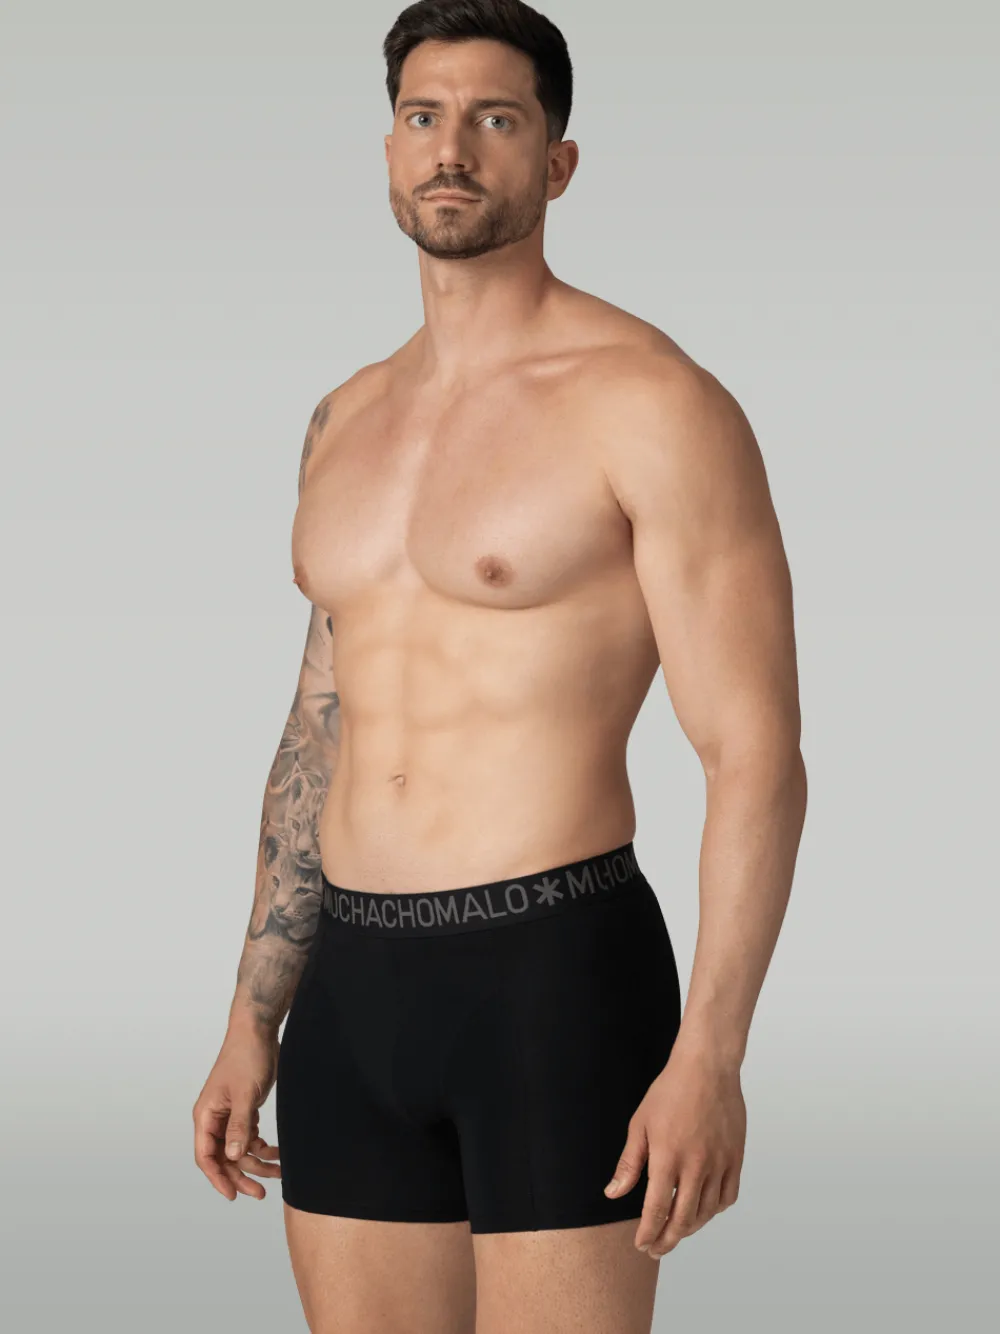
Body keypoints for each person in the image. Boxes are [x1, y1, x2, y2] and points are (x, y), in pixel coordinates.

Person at [192, 1, 807, 1330]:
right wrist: (253, 1014)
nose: (452, 148)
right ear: (389, 148)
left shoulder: (652, 403)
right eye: (424, 116)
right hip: (352, 985)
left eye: (496, 119)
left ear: (557, 162)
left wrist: (712, 1051)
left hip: (554, 976)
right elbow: (318, 726)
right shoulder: (344, 417)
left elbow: (754, 753)